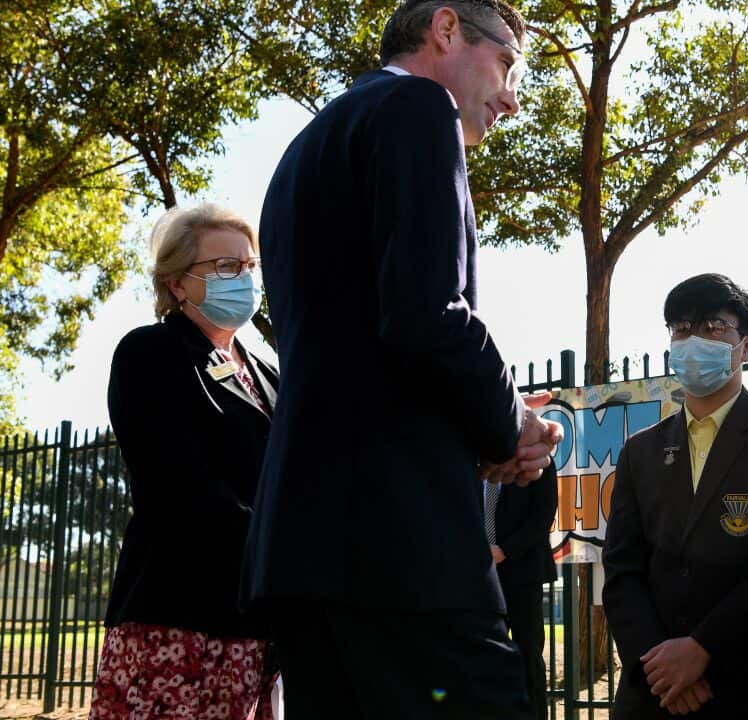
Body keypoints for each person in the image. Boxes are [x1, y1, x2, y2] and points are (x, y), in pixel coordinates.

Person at [241, 1, 562, 718]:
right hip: (401, 547)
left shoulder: (307, 146)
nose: (512, 97)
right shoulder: (419, 106)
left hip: (307, 552)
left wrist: (482, 435)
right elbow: (425, 317)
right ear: (446, 30)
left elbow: (365, 353)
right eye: (508, 64)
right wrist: (511, 422)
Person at [90, 205, 276, 720]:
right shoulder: (151, 352)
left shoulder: (264, 374)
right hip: (175, 617)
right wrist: (280, 543)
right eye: (223, 267)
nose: (241, 278)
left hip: (252, 625)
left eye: (248, 266)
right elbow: (178, 483)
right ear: (176, 284)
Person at [603, 274, 748, 719]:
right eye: (681, 328)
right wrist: (657, 665)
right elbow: (622, 569)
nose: (694, 340)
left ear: (747, 345)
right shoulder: (641, 451)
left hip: (744, 686)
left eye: (713, 327)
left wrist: (703, 648)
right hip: (653, 694)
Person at [486, 463, 559, 720]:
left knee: (527, 658)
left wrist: (504, 550)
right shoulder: (471, 463)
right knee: (485, 659)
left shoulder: (537, 463)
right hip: (479, 577)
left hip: (522, 575)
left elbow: (543, 515)